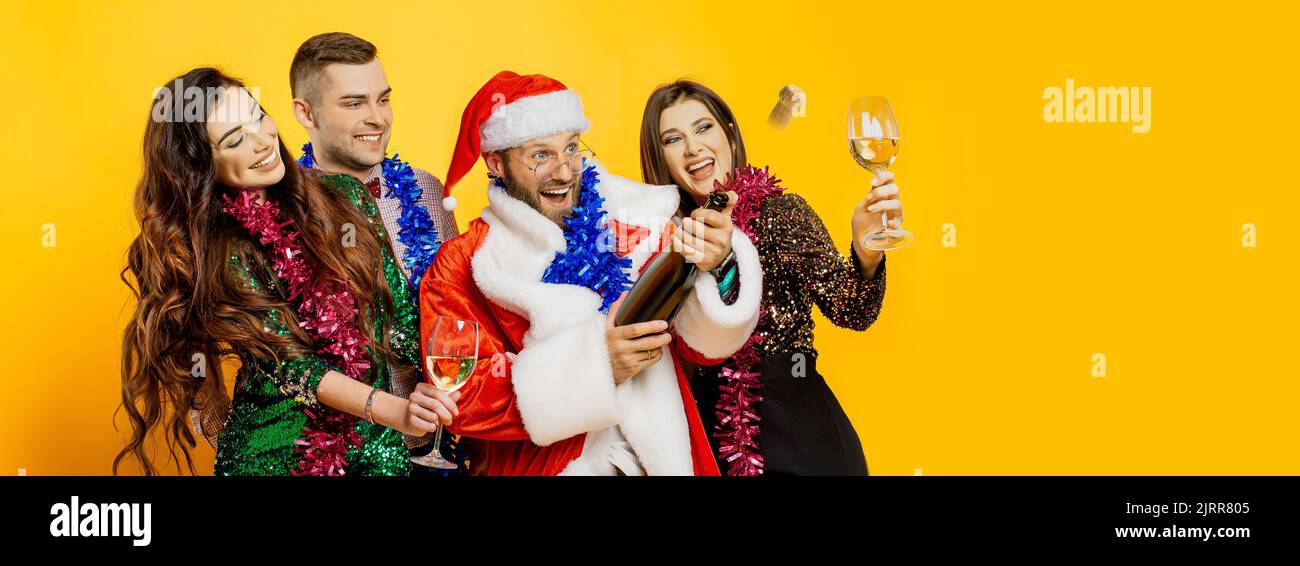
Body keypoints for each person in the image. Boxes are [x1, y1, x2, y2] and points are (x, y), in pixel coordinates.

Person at [419, 71, 764, 475]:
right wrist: (596, 368)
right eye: (540, 155)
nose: (563, 172)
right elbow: (464, 395)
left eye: (570, 149)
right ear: (496, 162)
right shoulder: (465, 261)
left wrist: (716, 264)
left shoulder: (637, 220)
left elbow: (699, 346)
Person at [116, 67, 458, 476]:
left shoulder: (343, 195)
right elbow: (292, 366)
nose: (261, 141)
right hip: (279, 455)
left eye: (257, 117)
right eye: (234, 139)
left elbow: (396, 313)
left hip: (377, 450)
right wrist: (394, 410)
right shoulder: (215, 249)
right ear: (202, 166)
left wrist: (440, 383)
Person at [639, 80, 901, 475]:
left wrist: (866, 250)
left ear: (729, 131)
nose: (693, 147)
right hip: (710, 440)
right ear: (661, 158)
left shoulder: (780, 214)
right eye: (673, 139)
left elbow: (854, 311)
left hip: (798, 431)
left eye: (703, 128)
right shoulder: (660, 244)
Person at [289, 31, 461, 470]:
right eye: (353, 104)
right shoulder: (282, 211)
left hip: (432, 447)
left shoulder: (426, 191)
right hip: (333, 453)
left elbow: (457, 314)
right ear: (305, 113)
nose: (377, 118)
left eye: (382, 100)